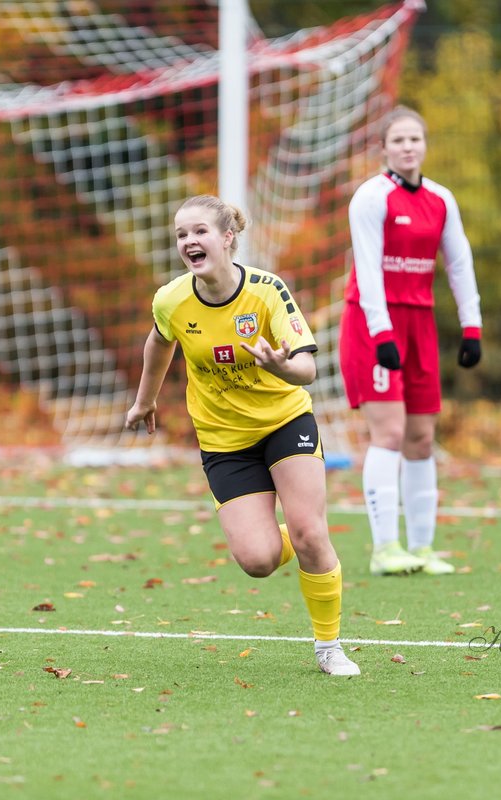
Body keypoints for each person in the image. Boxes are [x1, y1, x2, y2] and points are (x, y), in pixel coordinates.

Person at [125, 194, 361, 676]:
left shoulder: (267, 291)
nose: (189, 241)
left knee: (312, 533)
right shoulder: (171, 299)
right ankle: (297, 532)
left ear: (228, 237)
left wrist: (283, 365)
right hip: (224, 440)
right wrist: (144, 400)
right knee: (257, 560)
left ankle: (328, 648)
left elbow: (309, 368)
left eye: (199, 231)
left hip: (284, 422)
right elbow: (158, 342)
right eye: (181, 234)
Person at [339, 105, 483, 577]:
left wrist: (471, 325)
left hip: (419, 322)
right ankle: (385, 549)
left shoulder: (441, 199)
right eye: (398, 140)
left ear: (425, 145)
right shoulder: (371, 197)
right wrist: (381, 333)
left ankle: (421, 548)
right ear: (383, 148)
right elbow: (367, 268)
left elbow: (458, 264)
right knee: (390, 433)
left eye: (414, 139)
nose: (407, 147)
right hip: (372, 322)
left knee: (422, 438)